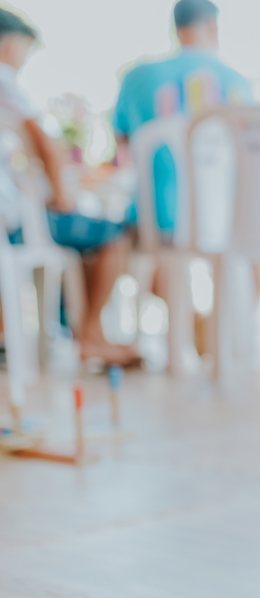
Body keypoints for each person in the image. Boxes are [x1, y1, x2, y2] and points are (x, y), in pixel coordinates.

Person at [0, 10, 137, 367]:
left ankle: (81, 332)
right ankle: (90, 336)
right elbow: (45, 145)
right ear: (11, 43)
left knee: (72, 241)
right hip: (10, 227)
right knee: (114, 235)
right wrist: (62, 194)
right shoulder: (3, 78)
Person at [112, 0, 253, 240]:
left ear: (176, 28)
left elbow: (122, 143)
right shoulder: (241, 84)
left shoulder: (137, 76)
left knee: (128, 240)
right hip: (227, 217)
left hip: (156, 219)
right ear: (212, 25)